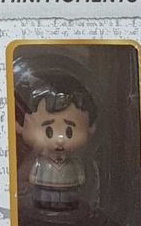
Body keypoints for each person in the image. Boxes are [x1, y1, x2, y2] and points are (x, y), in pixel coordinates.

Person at [14, 64, 97, 211]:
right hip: (43, 188)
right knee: (44, 197)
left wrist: (80, 177)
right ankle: (43, 202)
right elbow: (31, 175)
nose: (60, 139)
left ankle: (68, 203)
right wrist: (31, 179)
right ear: (20, 126)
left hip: (69, 187)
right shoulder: (39, 161)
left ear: (90, 127)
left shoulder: (73, 161)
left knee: (69, 198)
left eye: (69, 132)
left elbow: (80, 174)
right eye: (49, 131)